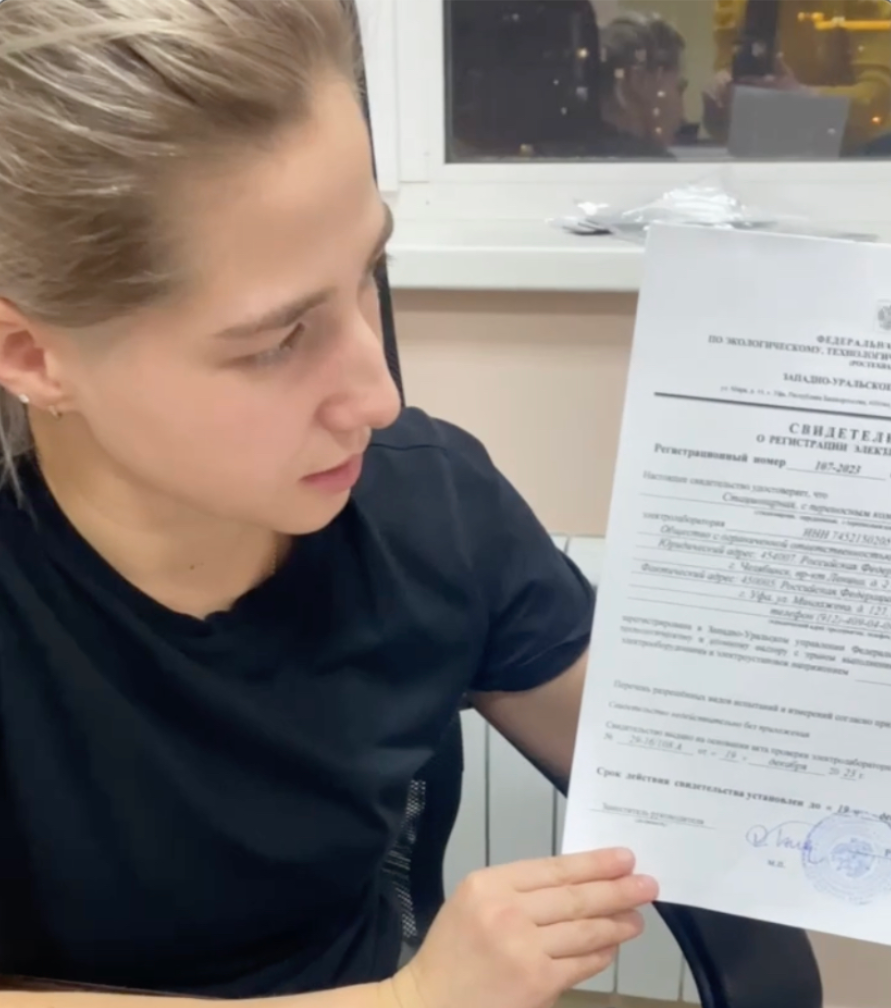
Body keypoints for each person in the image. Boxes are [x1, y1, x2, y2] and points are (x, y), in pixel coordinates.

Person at [0, 1, 659, 1006]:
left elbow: (674, 775)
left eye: (368, 273)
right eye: (276, 342)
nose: (377, 399)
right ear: (31, 355)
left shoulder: (430, 501)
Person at [705, 0, 891, 151]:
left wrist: (803, 99)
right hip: (765, 155)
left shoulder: (860, 4)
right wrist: (720, 98)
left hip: (859, 156)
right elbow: (727, 125)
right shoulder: (733, 5)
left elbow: (881, 97)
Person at [594, 12, 687, 159]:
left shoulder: (569, 156)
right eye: (679, 89)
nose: (682, 115)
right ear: (638, 79)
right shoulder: (658, 168)